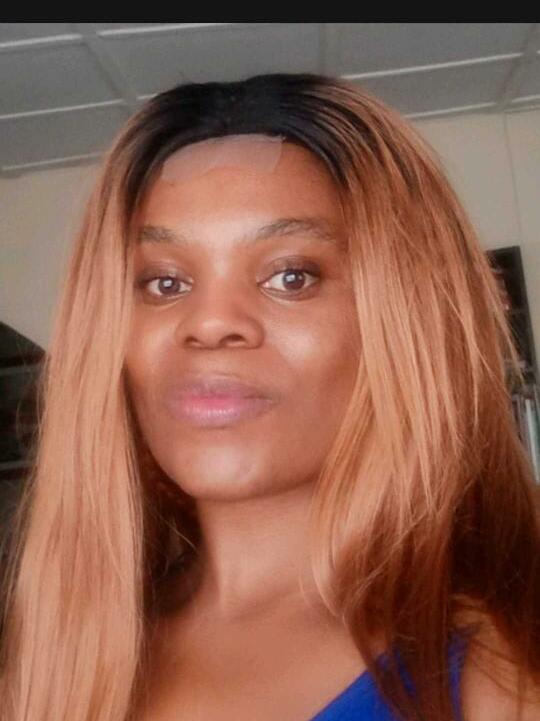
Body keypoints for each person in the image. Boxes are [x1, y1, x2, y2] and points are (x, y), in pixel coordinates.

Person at [0, 72, 539, 721]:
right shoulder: (47, 662)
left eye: (291, 276)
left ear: (404, 320)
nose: (209, 323)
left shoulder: (502, 670)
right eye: (165, 283)